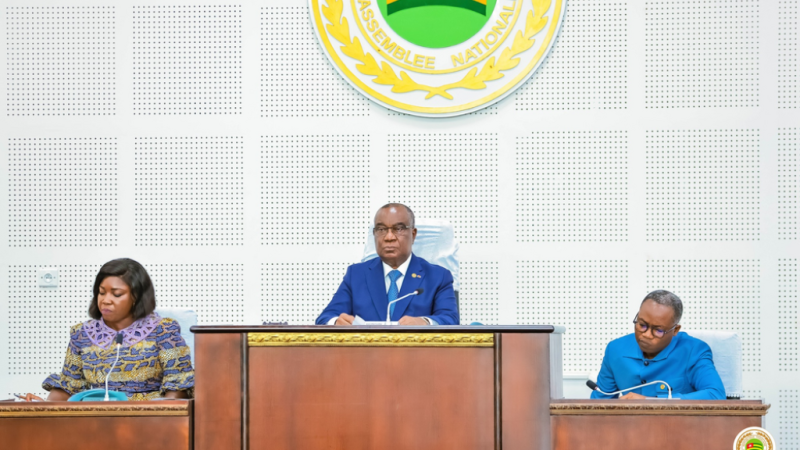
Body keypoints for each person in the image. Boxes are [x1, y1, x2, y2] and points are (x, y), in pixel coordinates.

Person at [23, 258, 194, 401]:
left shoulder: (164, 331)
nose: (105, 300)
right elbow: (70, 386)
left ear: (137, 297)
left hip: (146, 420)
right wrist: (45, 407)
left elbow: (178, 388)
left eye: (116, 294)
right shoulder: (81, 334)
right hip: (94, 419)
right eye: (101, 292)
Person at [316, 203, 459, 325]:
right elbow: (325, 318)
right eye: (381, 230)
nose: (389, 237)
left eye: (398, 229)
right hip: (367, 355)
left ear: (413, 234)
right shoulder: (356, 275)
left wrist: (425, 322)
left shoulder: (438, 276)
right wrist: (336, 322)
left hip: (416, 354)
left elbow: (450, 320)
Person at [591, 290, 725, 400]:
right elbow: (600, 402)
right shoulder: (615, 350)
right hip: (629, 430)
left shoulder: (694, 351)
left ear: (675, 330)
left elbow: (716, 395)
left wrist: (651, 402)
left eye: (658, 330)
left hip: (677, 429)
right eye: (642, 325)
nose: (647, 335)